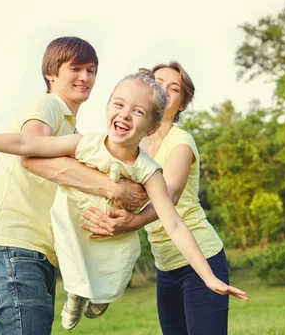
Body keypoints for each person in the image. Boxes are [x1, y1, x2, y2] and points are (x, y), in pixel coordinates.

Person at [0, 70, 248, 330]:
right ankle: (76, 297)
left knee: (125, 255)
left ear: (150, 127)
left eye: (138, 111)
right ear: (107, 106)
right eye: (118, 104)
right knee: (74, 248)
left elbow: (174, 223)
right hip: (79, 225)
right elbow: (24, 144)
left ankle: (98, 296)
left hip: (116, 237)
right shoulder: (84, 143)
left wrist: (208, 277)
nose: (125, 115)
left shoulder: (151, 171)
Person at [0, 37, 147, 335]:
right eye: (75, 68)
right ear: (51, 73)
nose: (85, 77)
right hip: (11, 247)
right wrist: (111, 188)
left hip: (38, 255)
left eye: (91, 70)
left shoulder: (74, 132)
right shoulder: (46, 104)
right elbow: (32, 156)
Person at [82, 62, 233, 334]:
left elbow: (171, 194)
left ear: (183, 103)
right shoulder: (133, 145)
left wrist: (134, 221)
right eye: (158, 81)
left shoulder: (181, 141)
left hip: (201, 256)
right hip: (165, 266)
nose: (163, 88)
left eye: (173, 88)